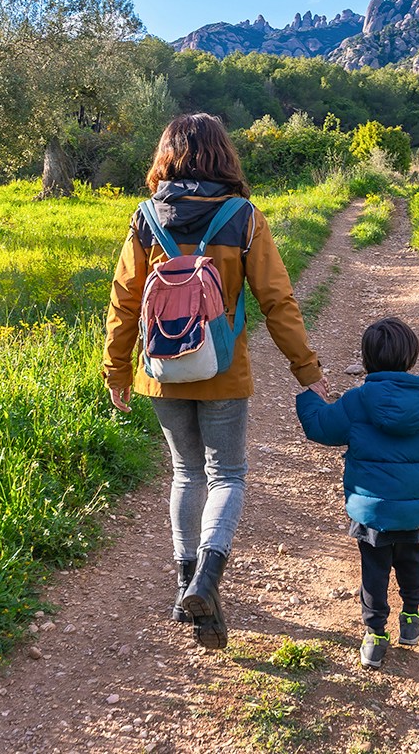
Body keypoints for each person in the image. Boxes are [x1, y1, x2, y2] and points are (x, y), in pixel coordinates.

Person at [104, 113, 329, 651]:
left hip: (161, 370)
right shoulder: (243, 217)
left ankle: (186, 584)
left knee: (186, 474)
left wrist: (117, 370)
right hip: (223, 370)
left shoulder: (145, 217)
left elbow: (124, 300)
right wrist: (306, 371)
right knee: (226, 474)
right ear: (222, 155)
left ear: (168, 155)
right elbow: (278, 301)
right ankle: (206, 579)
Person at [295, 317, 419, 670]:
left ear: (367, 361)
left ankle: (374, 637)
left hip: (371, 513)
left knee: (375, 570)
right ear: (411, 357)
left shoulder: (358, 402)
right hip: (414, 512)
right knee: (413, 559)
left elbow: (320, 427)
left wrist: (311, 397)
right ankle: (412, 618)